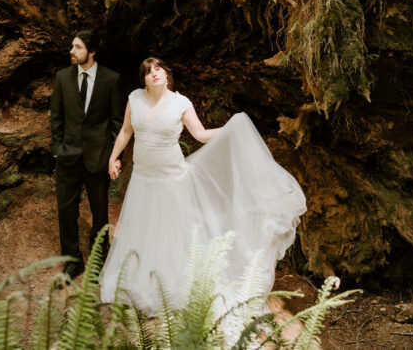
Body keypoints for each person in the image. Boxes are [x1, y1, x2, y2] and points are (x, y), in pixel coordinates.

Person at [98, 57, 307, 315]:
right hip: (143, 178)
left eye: (158, 69)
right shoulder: (135, 100)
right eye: (148, 72)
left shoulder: (180, 103)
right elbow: (126, 132)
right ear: (144, 79)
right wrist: (113, 156)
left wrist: (232, 128)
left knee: (172, 233)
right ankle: (144, 281)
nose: (154, 74)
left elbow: (200, 134)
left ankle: (172, 284)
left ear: (166, 74)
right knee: (144, 229)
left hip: (172, 179)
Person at [50, 31, 123, 278]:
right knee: (66, 210)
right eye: (72, 46)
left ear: (92, 52)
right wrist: (57, 150)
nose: (72, 51)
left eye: (78, 47)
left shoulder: (111, 79)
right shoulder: (62, 78)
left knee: (100, 210)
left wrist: (112, 155)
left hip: (98, 158)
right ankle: (72, 260)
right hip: (67, 157)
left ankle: (98, 258)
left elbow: (117, 122)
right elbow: (56, 118)